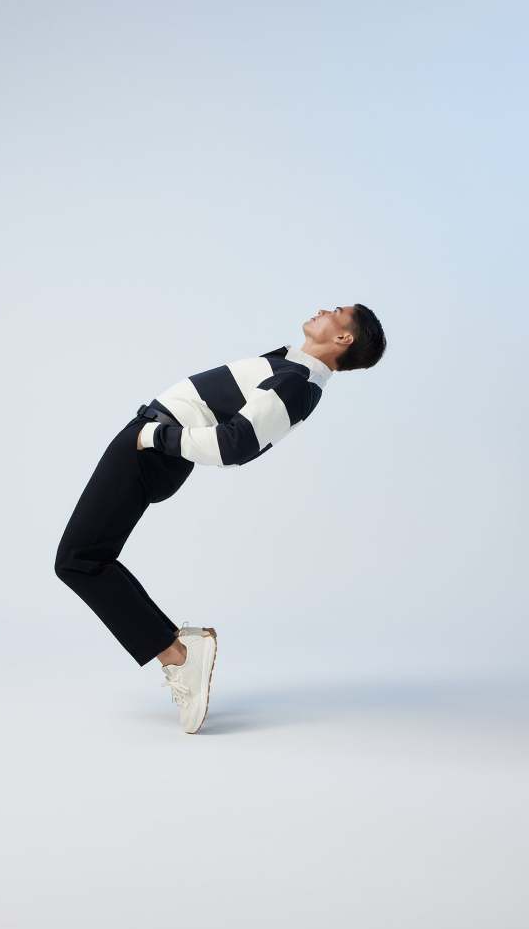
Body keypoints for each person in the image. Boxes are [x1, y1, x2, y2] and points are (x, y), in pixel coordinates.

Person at [54, 304, 387, 733]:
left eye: (337, 312)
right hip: (150, 444)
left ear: (344, 338)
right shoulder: (293, 368)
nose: (324, 309)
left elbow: (236, 445)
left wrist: (153, 436)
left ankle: (178, 654)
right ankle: (177, 649)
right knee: (87, 558)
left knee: (78, 560)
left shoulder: (298, 382)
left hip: (149, 445)